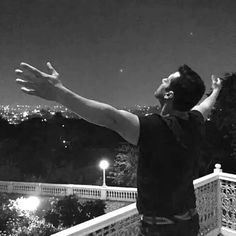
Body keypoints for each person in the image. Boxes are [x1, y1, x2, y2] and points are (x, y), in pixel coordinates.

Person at [15, 62, 222, 235]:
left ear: (169, 95)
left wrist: (59, 93)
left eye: (166, 80)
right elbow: (205, 106)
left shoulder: (155, 128)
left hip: (161, 230)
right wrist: (217, 90)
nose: (162, 79)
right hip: (189, 223)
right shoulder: (194, 122)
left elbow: (110, 117)